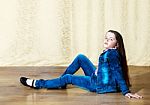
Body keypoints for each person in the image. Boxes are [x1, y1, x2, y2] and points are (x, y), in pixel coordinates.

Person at [20, 30, 142, 99]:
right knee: (81, 58)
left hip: (97, 84)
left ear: (117, 45)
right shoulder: (110, 52)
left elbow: (117, 72)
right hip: (97, 77)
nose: (106, 40)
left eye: (110, 39)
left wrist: (126, 91)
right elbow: (106, 69)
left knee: (69, 78)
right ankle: (60, 82)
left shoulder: (112, 54)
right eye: (106, 38)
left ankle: (39, 84)